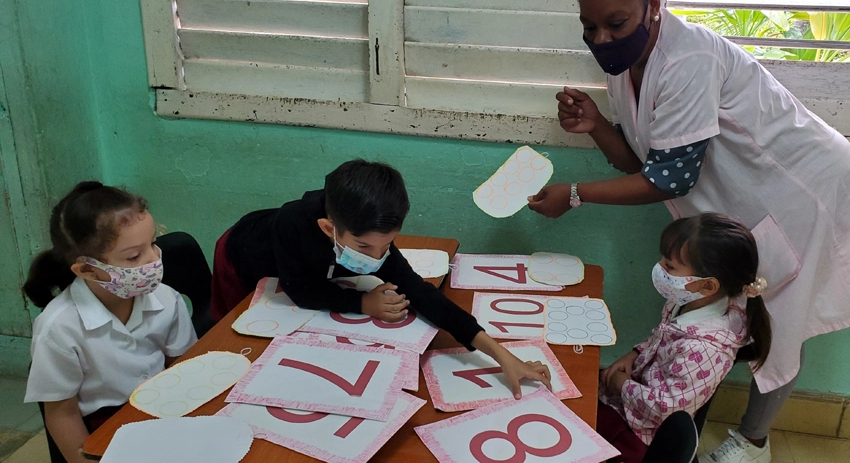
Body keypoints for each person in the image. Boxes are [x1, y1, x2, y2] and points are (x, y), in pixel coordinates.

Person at [526, 0, 850, 461]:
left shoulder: (688, 58)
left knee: (778, 323)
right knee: (711, 317)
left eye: (615, 23)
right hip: (742, 202)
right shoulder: (624, 61)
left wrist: (574, 195)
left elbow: (669, 178)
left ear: (653, 3)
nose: (601, 40)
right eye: (589, 27)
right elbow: (642, 164)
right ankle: (687, 423)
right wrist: (597, 126)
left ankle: (754, 442)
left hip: (802, 192)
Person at [212, 159, 551, 397]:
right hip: (243, 261)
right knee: (240, 347)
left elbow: (419, 291)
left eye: (386, 245)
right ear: (329, 229)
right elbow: (300, 290)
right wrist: (364, 301)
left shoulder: (369, 232)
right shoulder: (294, 224)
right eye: (363, 246)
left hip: (309, 265)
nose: (377, 257)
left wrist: (498, 352)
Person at [23, 182, 197, 463]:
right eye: (134, 256)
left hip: (163, 412)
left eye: (153, 243)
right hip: (106, 432)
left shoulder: (166, 298)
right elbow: (61, 415)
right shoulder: (59, 328)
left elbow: (184, 366)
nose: (154, 259)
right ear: (88, 270)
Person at [598, 213, 771, 462]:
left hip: (643, 435)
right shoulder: (685, 302)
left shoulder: (704, 349)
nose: (659, 267)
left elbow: (667, 411)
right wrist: (634, 353)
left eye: (669, 266)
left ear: (708, 286)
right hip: (631, 404)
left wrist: (622, 386)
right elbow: (662, 337)